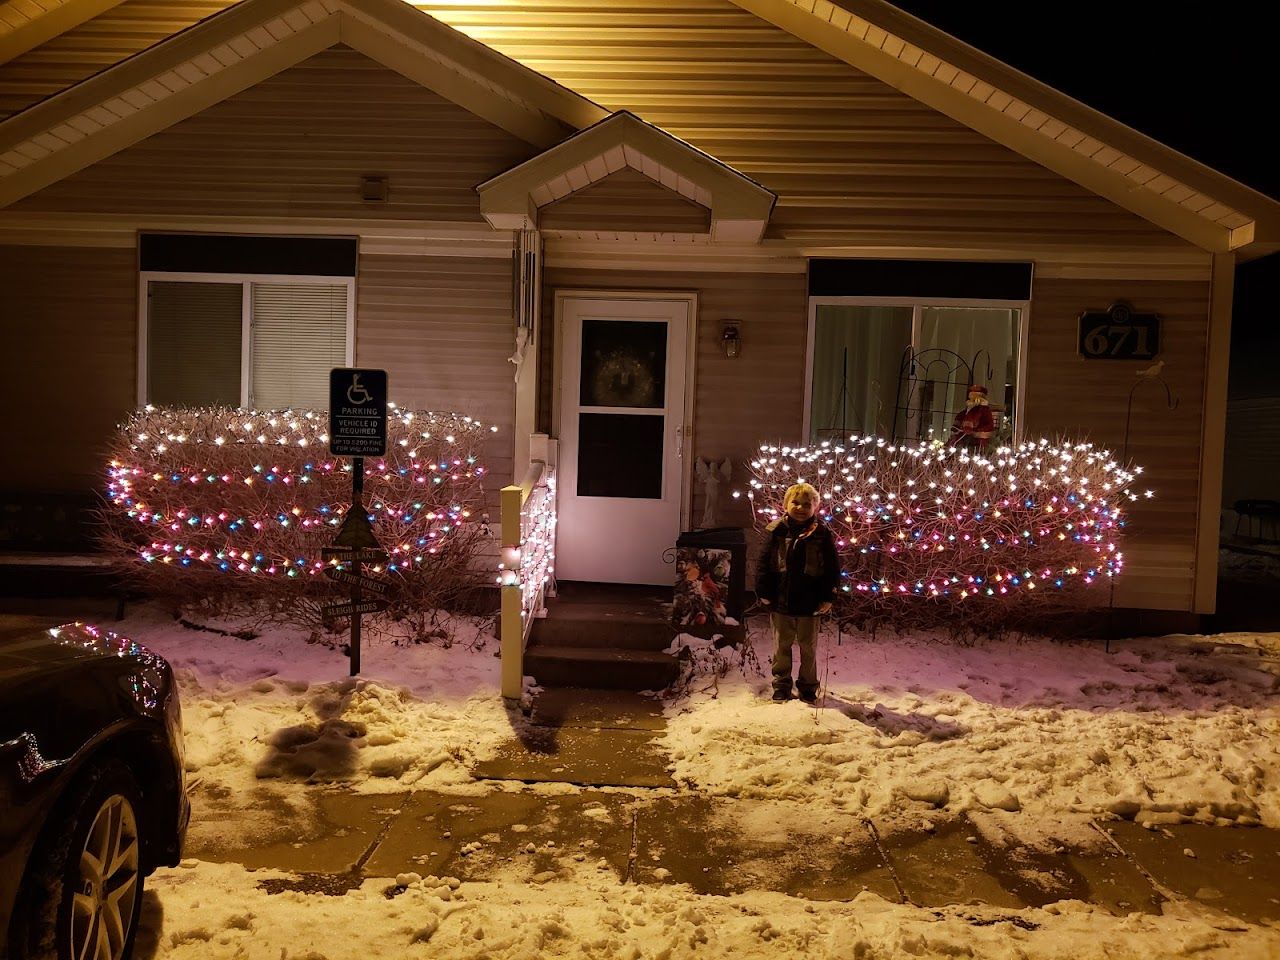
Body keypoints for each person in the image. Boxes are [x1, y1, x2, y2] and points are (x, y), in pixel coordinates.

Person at [755, 482, 840, 702]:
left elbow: (832, 568)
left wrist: (828, 596)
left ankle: (808, 685)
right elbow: (763, 563)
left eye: (806, 504)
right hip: (781, 599)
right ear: (785, 504)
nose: (800, 508)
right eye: (795, 502)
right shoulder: (776, 531)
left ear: (815, 508)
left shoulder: (821, 534)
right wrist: (763, 590)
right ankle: (781, 683)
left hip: (810, 601)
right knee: (781, 645)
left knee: (808, 646)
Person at [951, 384, 996, 451]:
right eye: (972, 396)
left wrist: (976, 430)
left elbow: (989, 425)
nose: (973, 399)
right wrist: (956, 426)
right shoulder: (968, 410)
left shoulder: (984, 410)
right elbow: (961, 417)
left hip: (978, 441)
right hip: (964, 438)